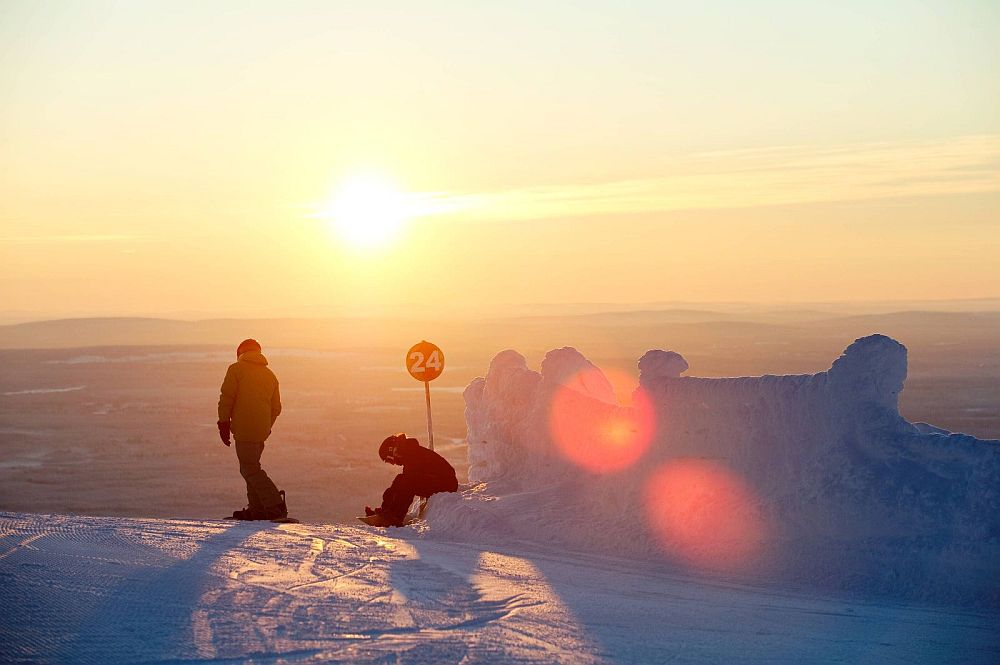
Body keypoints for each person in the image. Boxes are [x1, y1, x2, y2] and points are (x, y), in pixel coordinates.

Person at [217, 338, 287, 520]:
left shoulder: (236, 370)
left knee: (250, 469)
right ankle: (258, 509)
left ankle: (275, 504)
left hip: (244, 428)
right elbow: (276, 408)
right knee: (250, 466)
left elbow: (227, 398)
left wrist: (223, 423)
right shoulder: (270, 375)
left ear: (240, 353)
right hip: (261, 431)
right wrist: (266, 426)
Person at [364, 433, 458, 526]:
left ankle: (395, 516)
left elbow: (408, 485)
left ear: (393, 450)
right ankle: (387, 512)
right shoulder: (410, 452)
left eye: (390, 459)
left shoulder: (413, 453)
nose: (393, 463)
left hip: (445, 484)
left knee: (406, 482)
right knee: (401, 479)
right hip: (439, 481)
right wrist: (384, 509)